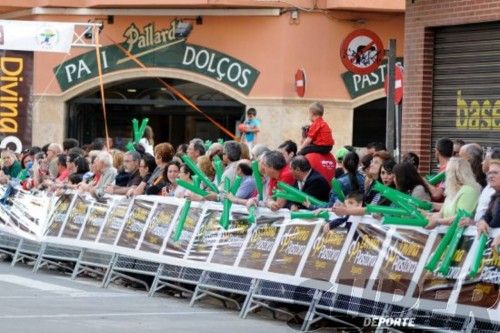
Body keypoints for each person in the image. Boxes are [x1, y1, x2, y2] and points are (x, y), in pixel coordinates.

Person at [426, 157, 481, 229]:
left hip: (459, 237)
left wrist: (437, 221)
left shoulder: (468, 191)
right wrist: (421, 213)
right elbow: (441, 214)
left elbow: (461, 218)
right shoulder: (452, 191)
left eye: (448, 172)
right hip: (446, 233)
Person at [460, 159, 500, 251]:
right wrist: (475, 223)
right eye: (489, 173)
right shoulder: (495, 197)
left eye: (495, 173)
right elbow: (487, 218)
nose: (490, 176)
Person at [473, 148, 500, 221]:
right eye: (490, 173)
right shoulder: (494, 193)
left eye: (485, 159)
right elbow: (486, 218)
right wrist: (473, 222)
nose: (482, 162)